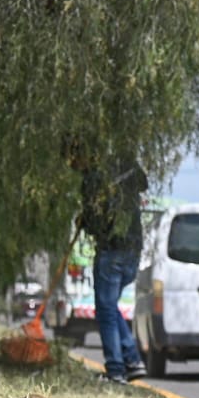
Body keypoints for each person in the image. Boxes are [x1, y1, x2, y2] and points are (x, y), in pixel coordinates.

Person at [78, 154, 149, 385]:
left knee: (105, 310)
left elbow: (95, 220)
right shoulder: (125, 164)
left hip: (111, 249)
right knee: (109, 307)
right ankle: (132, 360)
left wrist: (85, 220)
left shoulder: (93, 177)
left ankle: (117, 369)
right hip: (133, 249)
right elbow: (143, 183)